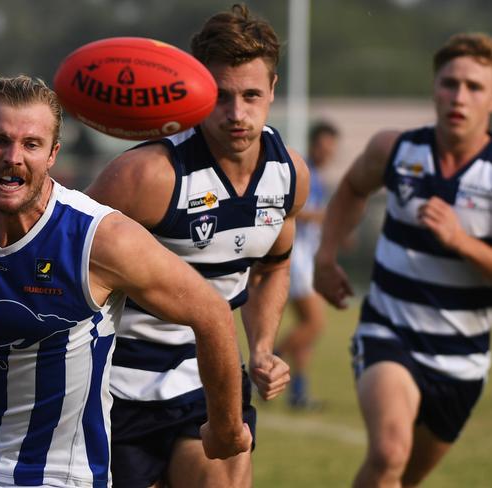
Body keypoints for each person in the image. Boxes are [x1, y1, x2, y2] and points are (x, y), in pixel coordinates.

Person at [0, 75, 251, 488]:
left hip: (64, 476)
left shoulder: (98, 237)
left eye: (31, 144)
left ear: (52, 154)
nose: (13, 157)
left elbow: (210, 311)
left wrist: (227, 427)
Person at [85, 5, 309, 487]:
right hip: (112, 389)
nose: (236, 114)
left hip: (206, 382)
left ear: (273, 90)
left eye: (251, 95)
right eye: (221, 97)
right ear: (197, 91)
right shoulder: (147, 175)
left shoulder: (289, 175)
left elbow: (272, 267)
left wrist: (264, 347)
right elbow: (66, 259)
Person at [314, 33, 492, 487]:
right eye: (450, 83)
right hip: (389, 332)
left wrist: (461, 241)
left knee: (403, 477)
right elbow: (353, 188)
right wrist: (326, 254)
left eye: (475, 87)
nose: (459, 97)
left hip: (462, 360)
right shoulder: (395, 149)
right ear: (434, 87)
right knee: (389, 451)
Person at [274, 121, 339, 409]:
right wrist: (322, 218)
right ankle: (270, 359)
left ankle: (299, 393)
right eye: (323, 146)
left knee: (306, 327)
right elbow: (290, 211)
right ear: (314, 145)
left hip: (308, 257)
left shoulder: (320, 177)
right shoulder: (302, 172)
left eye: (331, 148)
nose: (327, 152)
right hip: (296, 258)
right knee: (314, 323)